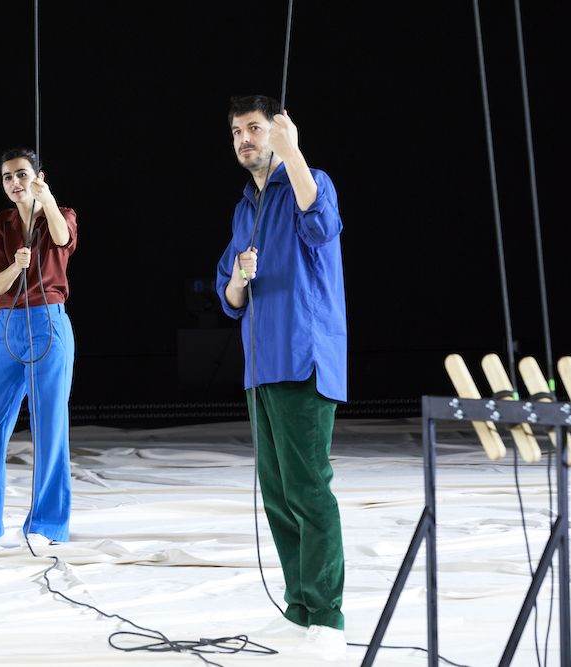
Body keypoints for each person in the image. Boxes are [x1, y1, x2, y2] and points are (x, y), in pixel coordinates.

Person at [216, 95, 348, 658]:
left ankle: (328, 617)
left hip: (303, 358)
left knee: (308, 490)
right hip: (260, 368)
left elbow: (322, 227)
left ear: (277, 132)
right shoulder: (243, 208)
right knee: (277, 495)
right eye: (236, 131)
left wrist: (293, 153)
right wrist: (239, 279)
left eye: (254, 128)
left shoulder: (309, 182)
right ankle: (299, 608)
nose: (244, 138)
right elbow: (229, 296)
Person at [0, 147, 77, 546]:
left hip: (48, 325)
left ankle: (46, 525)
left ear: (38, 176)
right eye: (8, 177)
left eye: (22, 174)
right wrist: (15, 266)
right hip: (7, 329)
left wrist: (47, 200)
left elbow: (63, 238)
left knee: (49, 428)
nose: (15, 182)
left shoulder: (60, 214)